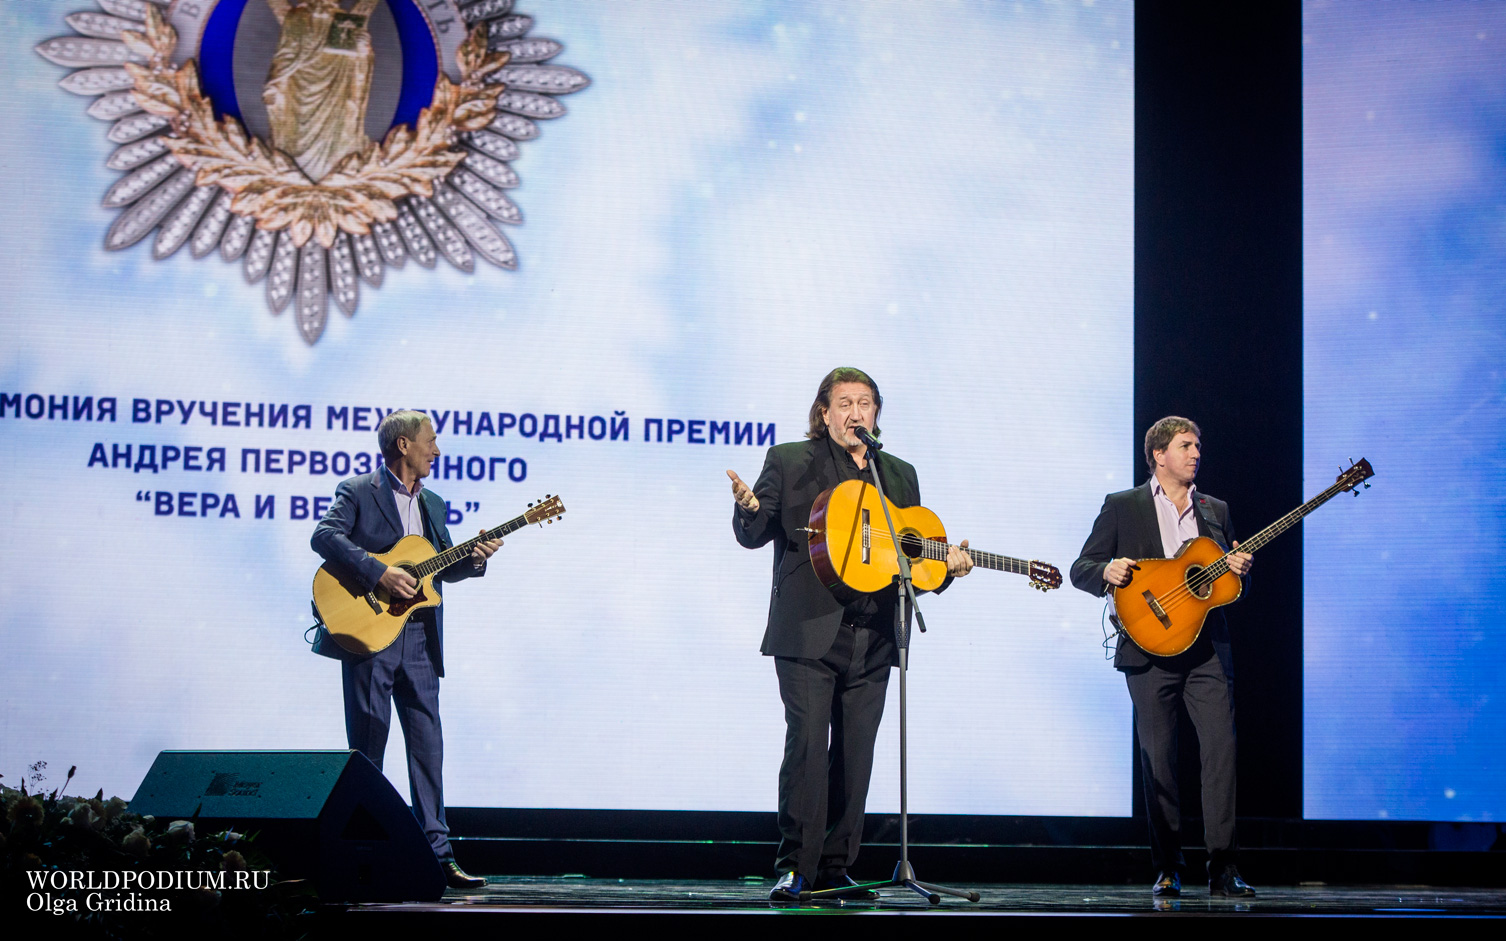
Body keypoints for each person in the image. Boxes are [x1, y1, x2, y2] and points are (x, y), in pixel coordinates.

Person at [727, 368, 973, 902]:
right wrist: (747, 508)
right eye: (843, 403)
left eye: (865, 403)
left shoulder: (898, 475)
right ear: (823, 412)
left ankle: (837, 867)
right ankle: (797, 866)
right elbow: (756, 531)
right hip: (809, 632)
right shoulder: (791, 460)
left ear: (876, 414)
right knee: (810, 747)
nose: (855, 413)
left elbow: (909, 560)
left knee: (856, 756)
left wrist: (947, 568)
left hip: (877, 633)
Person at [311, 409, 501, 890]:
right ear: (404, 446)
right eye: (430, 442)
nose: (436, 450)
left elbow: (439, 569)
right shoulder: (358, 491)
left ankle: (438, 855)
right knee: (368, 747)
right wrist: (379, 572)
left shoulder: (433, 503)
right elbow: (324, 535)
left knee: (427, 745)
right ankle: (361, 857)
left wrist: (473, 559)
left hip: (418, 638)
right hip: (370, 638)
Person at [1069, 416, 1255, 898]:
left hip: (1207, 650)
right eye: (1186, 445)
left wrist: (1240, 570)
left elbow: (1229, 589)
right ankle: (1169, 866)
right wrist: (1105, 569)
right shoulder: (1122, 506)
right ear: (1158, 455)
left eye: (1198, 445)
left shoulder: (1215, 510)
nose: (1196, 453)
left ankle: (1223, 867)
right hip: (1148, 648)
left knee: (1221, 754)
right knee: (1159, 759)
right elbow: (1080, 568)